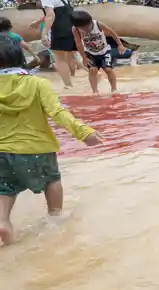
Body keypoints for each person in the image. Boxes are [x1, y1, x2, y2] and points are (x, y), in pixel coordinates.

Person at [0, 37, 104, 245]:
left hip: (2, 153)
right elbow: (57, 112)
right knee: (52, 181)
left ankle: (3, 223)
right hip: (38, 149)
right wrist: (84, 133)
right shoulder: (38, 84)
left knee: (5, 189)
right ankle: (55, 220)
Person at [29, 0, 76, 89]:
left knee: (59, 59)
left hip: (59, 29)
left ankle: (68, 86)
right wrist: (39, 21)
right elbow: (58, 11)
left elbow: (51, 15)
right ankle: (76, 80)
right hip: (70, 27)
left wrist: (44, 33)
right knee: (69, 56)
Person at [70, 10, 121, 95]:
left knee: (108, 69)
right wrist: (84, 57)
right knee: (92, 70)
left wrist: (120, 44)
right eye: (83, 28)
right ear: (77, 26)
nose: (86, 29)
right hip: (90, 53)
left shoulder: (98, 24)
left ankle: (114, 89)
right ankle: (95, 91)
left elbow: (112, 32)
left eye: (88, 26)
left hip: (104, 51)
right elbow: (78, 44)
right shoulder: (75, 29)